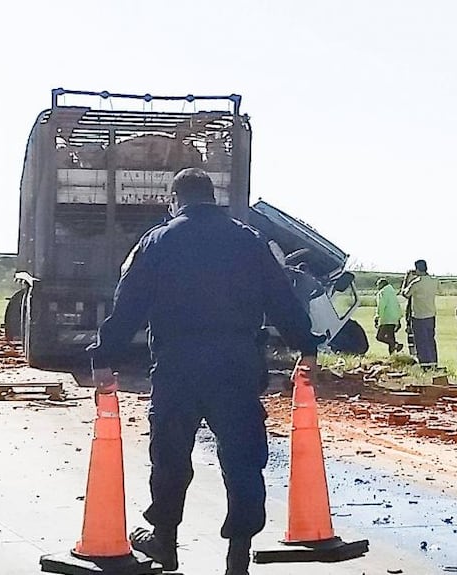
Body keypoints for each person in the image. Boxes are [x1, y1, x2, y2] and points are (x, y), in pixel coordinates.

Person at [87, 168, 322, 575]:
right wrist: (308, 347)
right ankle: (238, 555)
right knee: (243, 458)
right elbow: (282, 299)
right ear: (213, 198)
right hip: (236, 365)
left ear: (175, 201)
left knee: (170, 455)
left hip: (178, 367)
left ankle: (165, 540)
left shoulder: (158, 241)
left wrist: (104, 357)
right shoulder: (248, 241)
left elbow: (129, 305)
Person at [401, 259, 438, 366]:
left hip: (418, 316)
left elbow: (405, 294)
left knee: (421, 341)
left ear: (417, 269)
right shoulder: (434, 280)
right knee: (431, 340)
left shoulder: (416, 283)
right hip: (431, 314)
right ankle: (433, 362)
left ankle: (424, 364)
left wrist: (406, 279)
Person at [374, 278, 403, 354]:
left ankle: (396, 345)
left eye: (378, 285)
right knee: (391, 337)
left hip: (387, 318)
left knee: (380, 337)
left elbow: (381, 305)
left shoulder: (382, 292)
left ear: (382, 284)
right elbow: (397, 305)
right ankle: (393, 355)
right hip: (394, 318)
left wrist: (377, 316)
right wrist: (399, 319)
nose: (377, 287)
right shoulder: (392, 293)